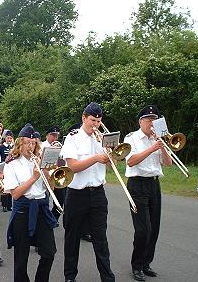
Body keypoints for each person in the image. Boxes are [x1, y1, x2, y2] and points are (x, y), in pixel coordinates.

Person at [62, 102, 115, 282]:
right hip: (77, 194)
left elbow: (111, 164)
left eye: (99, 121)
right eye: (92, 120)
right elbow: (72, 167)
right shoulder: (72, 138)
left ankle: (107, 277)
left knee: (101, 239)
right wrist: (95, 158)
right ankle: (70, 276)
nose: (95, 124)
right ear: (84, 118)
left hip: (98, 193)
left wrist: (111, 156)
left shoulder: (102, 139)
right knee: (72, 238)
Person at [124, 105, 173, 282]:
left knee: (154, 227)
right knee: (143, 229)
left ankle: (146, 263)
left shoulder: (157, 138)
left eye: (154, 120)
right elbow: (130, 161)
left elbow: (168, 164)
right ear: (141, 121)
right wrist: (151, 148)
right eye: (148, 120)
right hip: (137, 185)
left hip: (154, 184)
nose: (152, 123)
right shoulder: (132, 138)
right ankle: (136, 265)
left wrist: (162, 147)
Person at [3, 124, 57, 282]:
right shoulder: (11, 165)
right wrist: (34, 177)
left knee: (49, 252)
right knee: (21, 257)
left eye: (33, 143)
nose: (30, 146)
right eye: (27, 143)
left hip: (41, 207)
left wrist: (46, 172)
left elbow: (52, 187)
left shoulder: (40, 161)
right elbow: (16, 194)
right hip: (23, 211)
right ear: (20, 144)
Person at [0, 130, 14, 212]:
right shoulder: (2, 147)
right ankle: (4, 204)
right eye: (8, 138)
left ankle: (9, 205)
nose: (9, 140)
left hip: (11, 167)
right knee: (4, 186)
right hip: (4, 167)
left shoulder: (13, 146)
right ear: (5, 138)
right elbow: (1, 157)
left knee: (11, 185)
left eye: (10, 138)